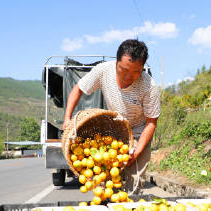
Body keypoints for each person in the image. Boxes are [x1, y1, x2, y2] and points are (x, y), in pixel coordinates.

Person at [63, 39, 161, 194]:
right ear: (116, 62)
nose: (129, 76)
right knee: (107, 181)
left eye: (136, 72)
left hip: (138, 132)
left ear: (142, 68)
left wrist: (135, 153)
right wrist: (67, 118)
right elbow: (78, 89)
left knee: (133, 185)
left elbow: (151, 123)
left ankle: (129, 207)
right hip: (115, 133)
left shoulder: (149, 87)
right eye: (124, 70)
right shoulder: (103, 71)